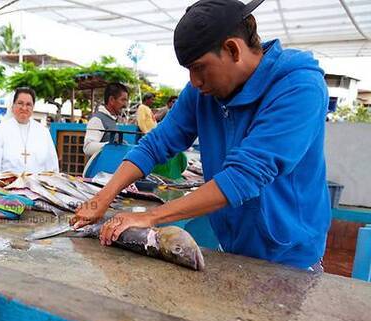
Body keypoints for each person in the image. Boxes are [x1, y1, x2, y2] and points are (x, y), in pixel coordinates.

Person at [72, 0, 331, 271]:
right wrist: (104, 197)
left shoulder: (299, 87)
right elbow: (155, 145)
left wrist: (150, 217)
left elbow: (245, 176)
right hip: (232, 250)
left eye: (199, 67)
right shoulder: (201, 93)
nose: (194, 81)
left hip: (291, 261)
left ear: (232, 49)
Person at [0, 87, 59, 182]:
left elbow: (52, 167)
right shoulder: (0, 131)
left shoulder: (43, 132)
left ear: (33, 107)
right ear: (13, 106)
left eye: (28, 104)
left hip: (38, 191)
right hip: (7, 192)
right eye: (20, 103)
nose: (24, 108)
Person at [137, 93, 188, 180]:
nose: (153, 101)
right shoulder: (143, 108)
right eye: (151, 99)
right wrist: (147, 134)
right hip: (150, 137)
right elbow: (141, 122)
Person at [83, 82, 129, 158]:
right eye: (123, 100)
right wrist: (112, 145)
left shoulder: (111, 119)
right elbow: (88, 148)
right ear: (111, 100)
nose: (125, 104)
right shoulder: (97, 119)